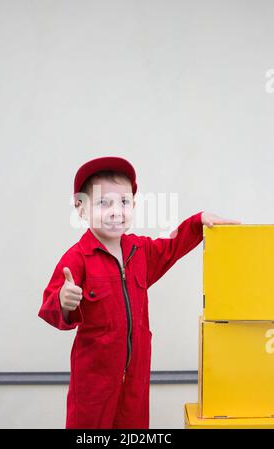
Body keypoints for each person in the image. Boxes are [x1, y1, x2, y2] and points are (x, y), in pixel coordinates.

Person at [38, 156, 241, 429]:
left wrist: (198, 222)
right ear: (81, 209)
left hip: (135, 377)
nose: (116, 211)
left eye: (123, 202)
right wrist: (63, 301)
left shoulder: (139, 251)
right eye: (103, 203)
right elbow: (50, 305)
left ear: (133, 205)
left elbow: (172, 247)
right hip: (93, 383)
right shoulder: (77, 258)